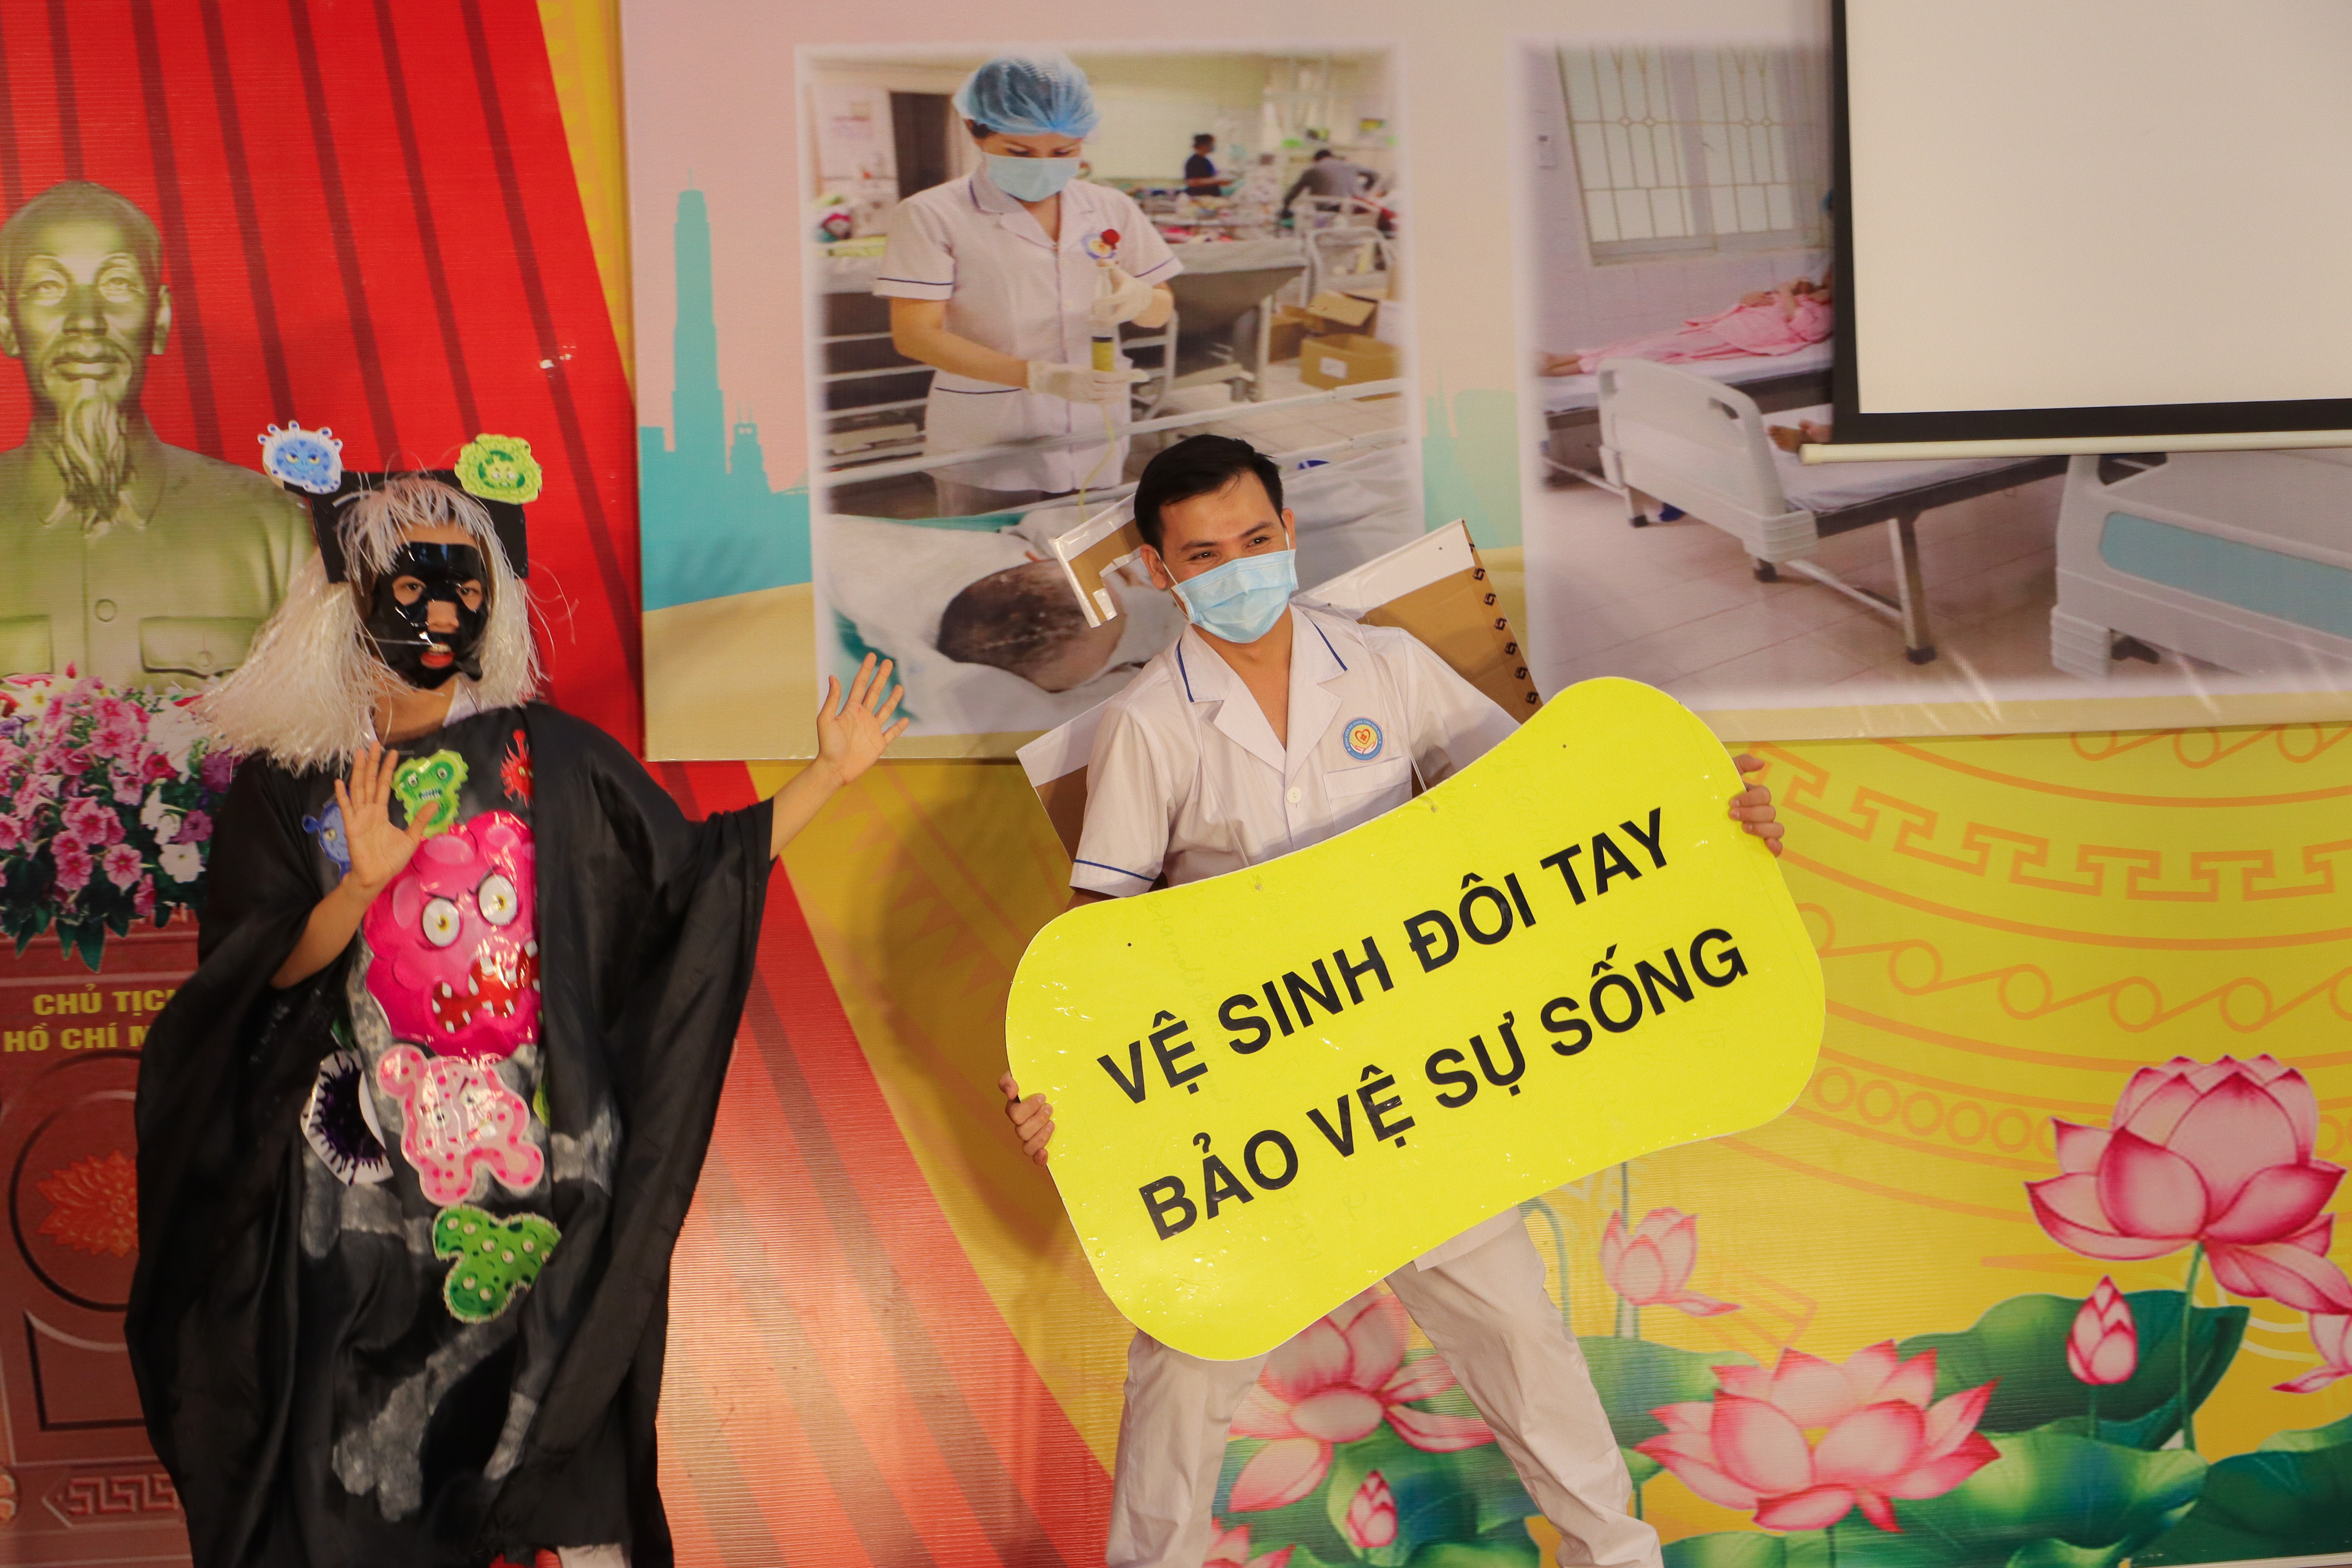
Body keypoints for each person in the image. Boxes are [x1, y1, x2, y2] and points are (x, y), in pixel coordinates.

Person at [996, 434, 1784, 1568]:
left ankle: (1617, 1558)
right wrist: (1060, 1087)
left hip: (1422, 1086)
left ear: (1289, 532)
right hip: (1259, 1114)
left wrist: (1712, 823)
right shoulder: (1148, 725)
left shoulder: (1389, 668)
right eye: (1206, 555)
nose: (1240, 567)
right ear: (1162, 573)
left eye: (1257, 539)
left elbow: (1551, 816)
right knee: (1186, 1368)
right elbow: (1098, 951)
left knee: (1521, 1341)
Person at [124, 448, 907, 1567]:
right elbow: (261, 976)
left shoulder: (553, 761)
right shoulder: (292, 780)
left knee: (564, 1431)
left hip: (533, 1182)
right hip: (355, 1200)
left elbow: (691, 881)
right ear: (348, 595)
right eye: (413, 582)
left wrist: (827, 775)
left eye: (466, 583)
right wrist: (358, 886)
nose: (442, 610)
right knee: (351, 1474)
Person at [0, 180, 313, 688]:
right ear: (7, 323)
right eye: (48, 287)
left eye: (118, 284)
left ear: (160, 318)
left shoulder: (271, 528)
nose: (86, 321)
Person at [878, 54, 1181, 517]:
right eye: (1019, 153)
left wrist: (1141, 299)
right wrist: (1040, 377)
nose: (1043, 167)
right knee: (988, 555)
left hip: (1094, 428)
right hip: (990, 438)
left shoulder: (1111, 207)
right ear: (975, 130)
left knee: (1082, 550)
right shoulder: (931, 214)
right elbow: (915, 335)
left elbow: (1161, 309)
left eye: (1063, 153)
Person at [1542, 272, 1833, 377]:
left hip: (1740, 338)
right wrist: (1752, 298)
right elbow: (1757, 303)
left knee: (1656, 350)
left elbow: (1805, 330)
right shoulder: (1804, 295)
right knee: (1648, 341)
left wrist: (1785, 293)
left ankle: (1564, 368)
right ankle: (1561, 359)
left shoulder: (1828, 312)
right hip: (1725, 325)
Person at [1279, 148, 1376, 218]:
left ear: (1316, 159)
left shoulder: (1313, 169)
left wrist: (1286, 206)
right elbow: (1374, 175)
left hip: (1329, 211)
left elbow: (1295, 191)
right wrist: (1365, 189)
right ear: (1332, 157)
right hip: (1357, 208)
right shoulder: (1350, 166)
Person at [1183, 133, 1226, 197]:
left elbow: (1209, 175)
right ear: (1203, 145)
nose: (1213, 146)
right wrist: (1216, 181)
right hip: (1200, 197)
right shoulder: (1193, 162)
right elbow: (1191, 182)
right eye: (1211, 144)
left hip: (1211, 197)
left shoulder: (1206, 160)